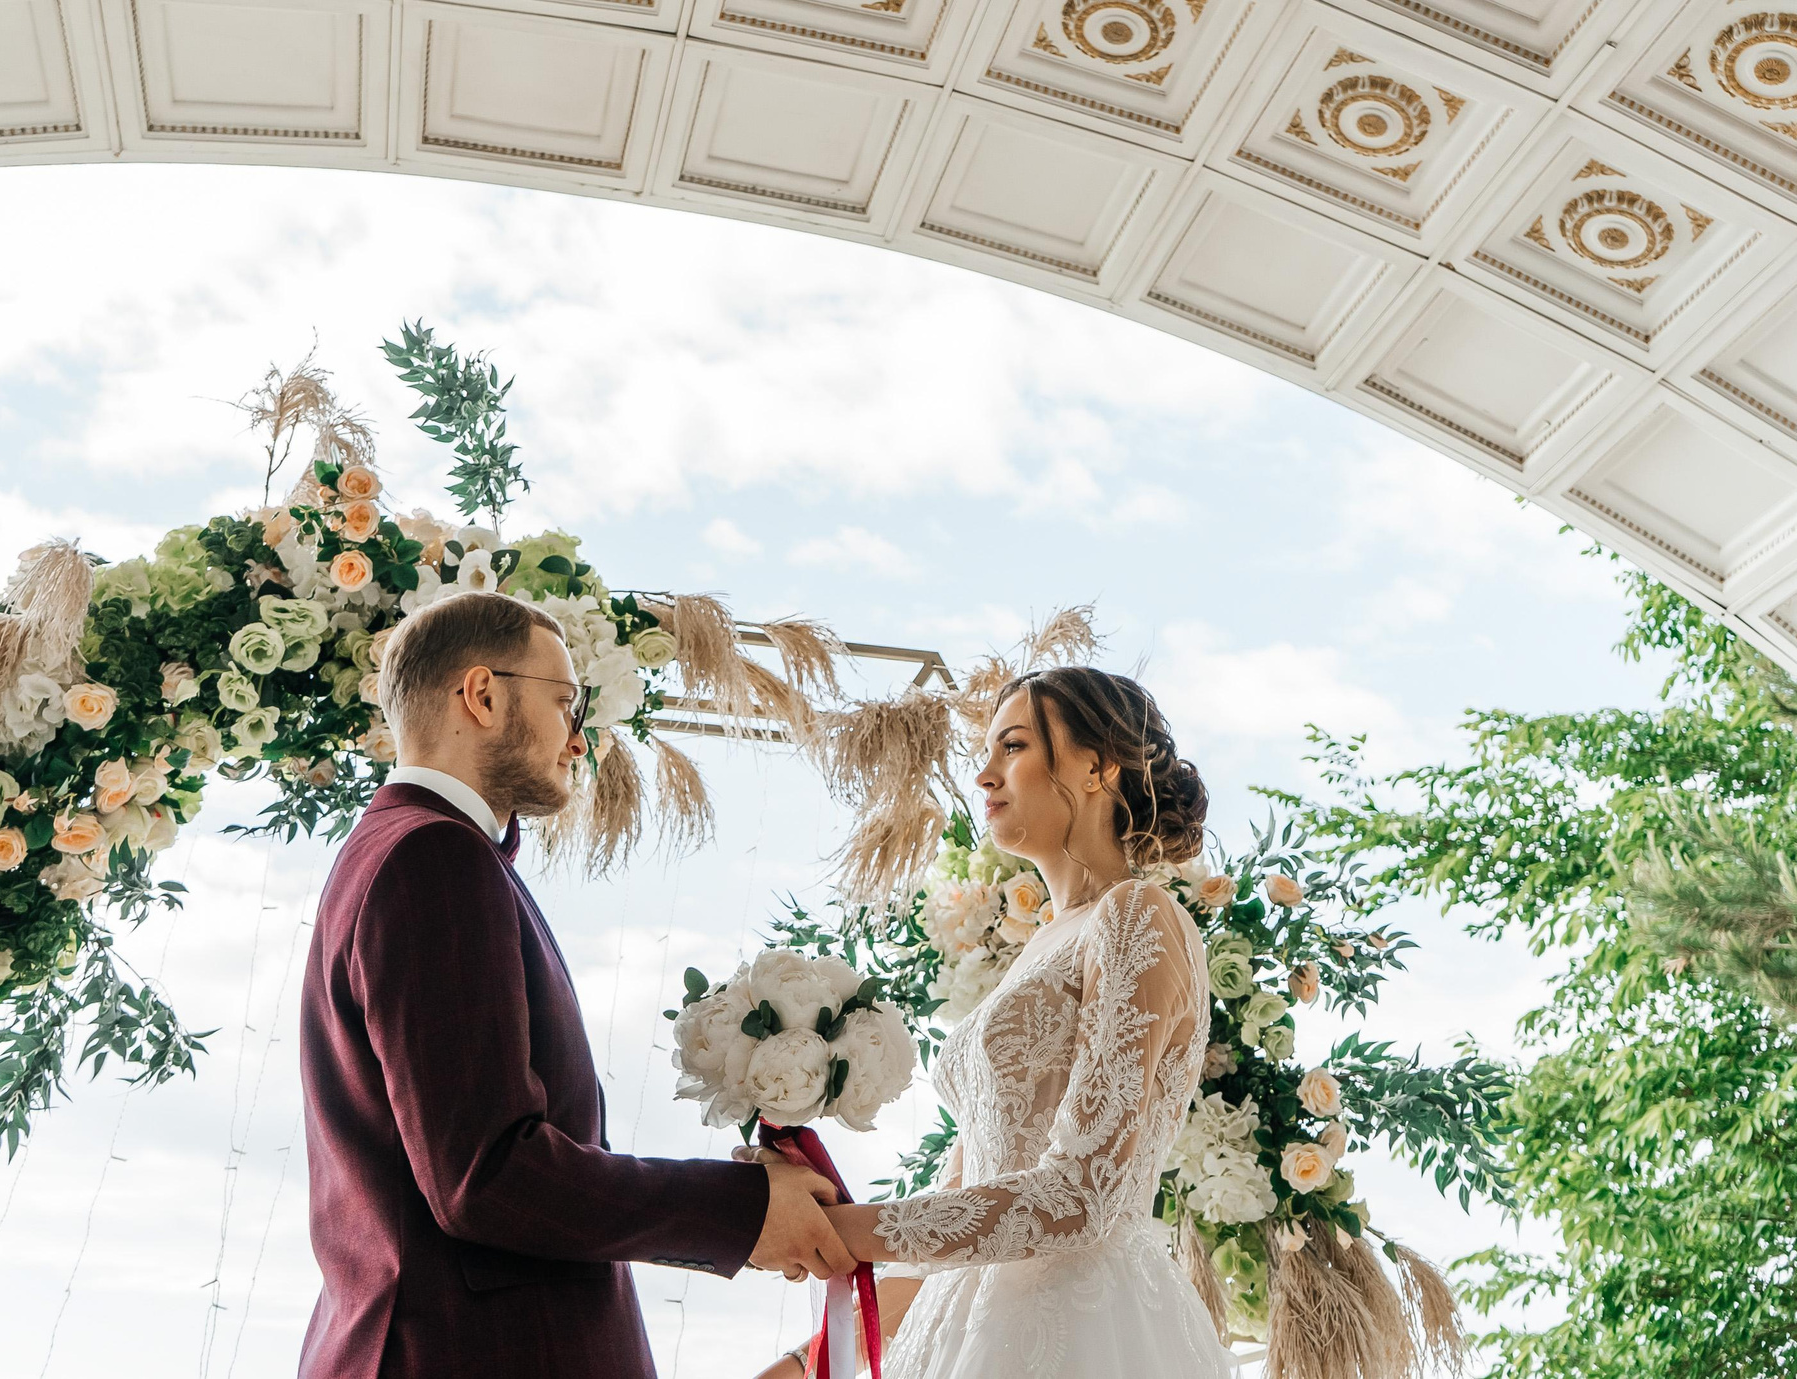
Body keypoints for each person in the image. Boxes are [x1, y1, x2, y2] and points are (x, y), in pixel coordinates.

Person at [296, 589, 853, 1379]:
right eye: (567, 702)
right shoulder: (435, 859)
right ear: (483, 695)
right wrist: (744, 1210)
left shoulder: (412, 851)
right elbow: (486, 1174)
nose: (580, 738)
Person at [749, 666, 1233, 1379]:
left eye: (1012, 746)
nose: (984, 775)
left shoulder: (1135, 915)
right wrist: (806, 1359)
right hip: (966, 1330)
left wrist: (844, 1229)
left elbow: (1084, 1193)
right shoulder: (1041, 942)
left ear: (1096, 766)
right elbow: (960, 1203)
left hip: (1087, 1331)